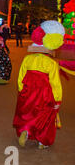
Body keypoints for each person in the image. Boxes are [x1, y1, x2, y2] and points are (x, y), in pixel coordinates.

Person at [13, 21, 65, 149]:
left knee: (27, 113)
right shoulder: (51, 63)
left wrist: (21, 90)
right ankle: (42, 141)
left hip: (28, 92)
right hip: (44, 95)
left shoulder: (27, 59)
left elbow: (21, 77)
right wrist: (57, 98)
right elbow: (55, 83)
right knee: (45, 116)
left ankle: (26, 129)